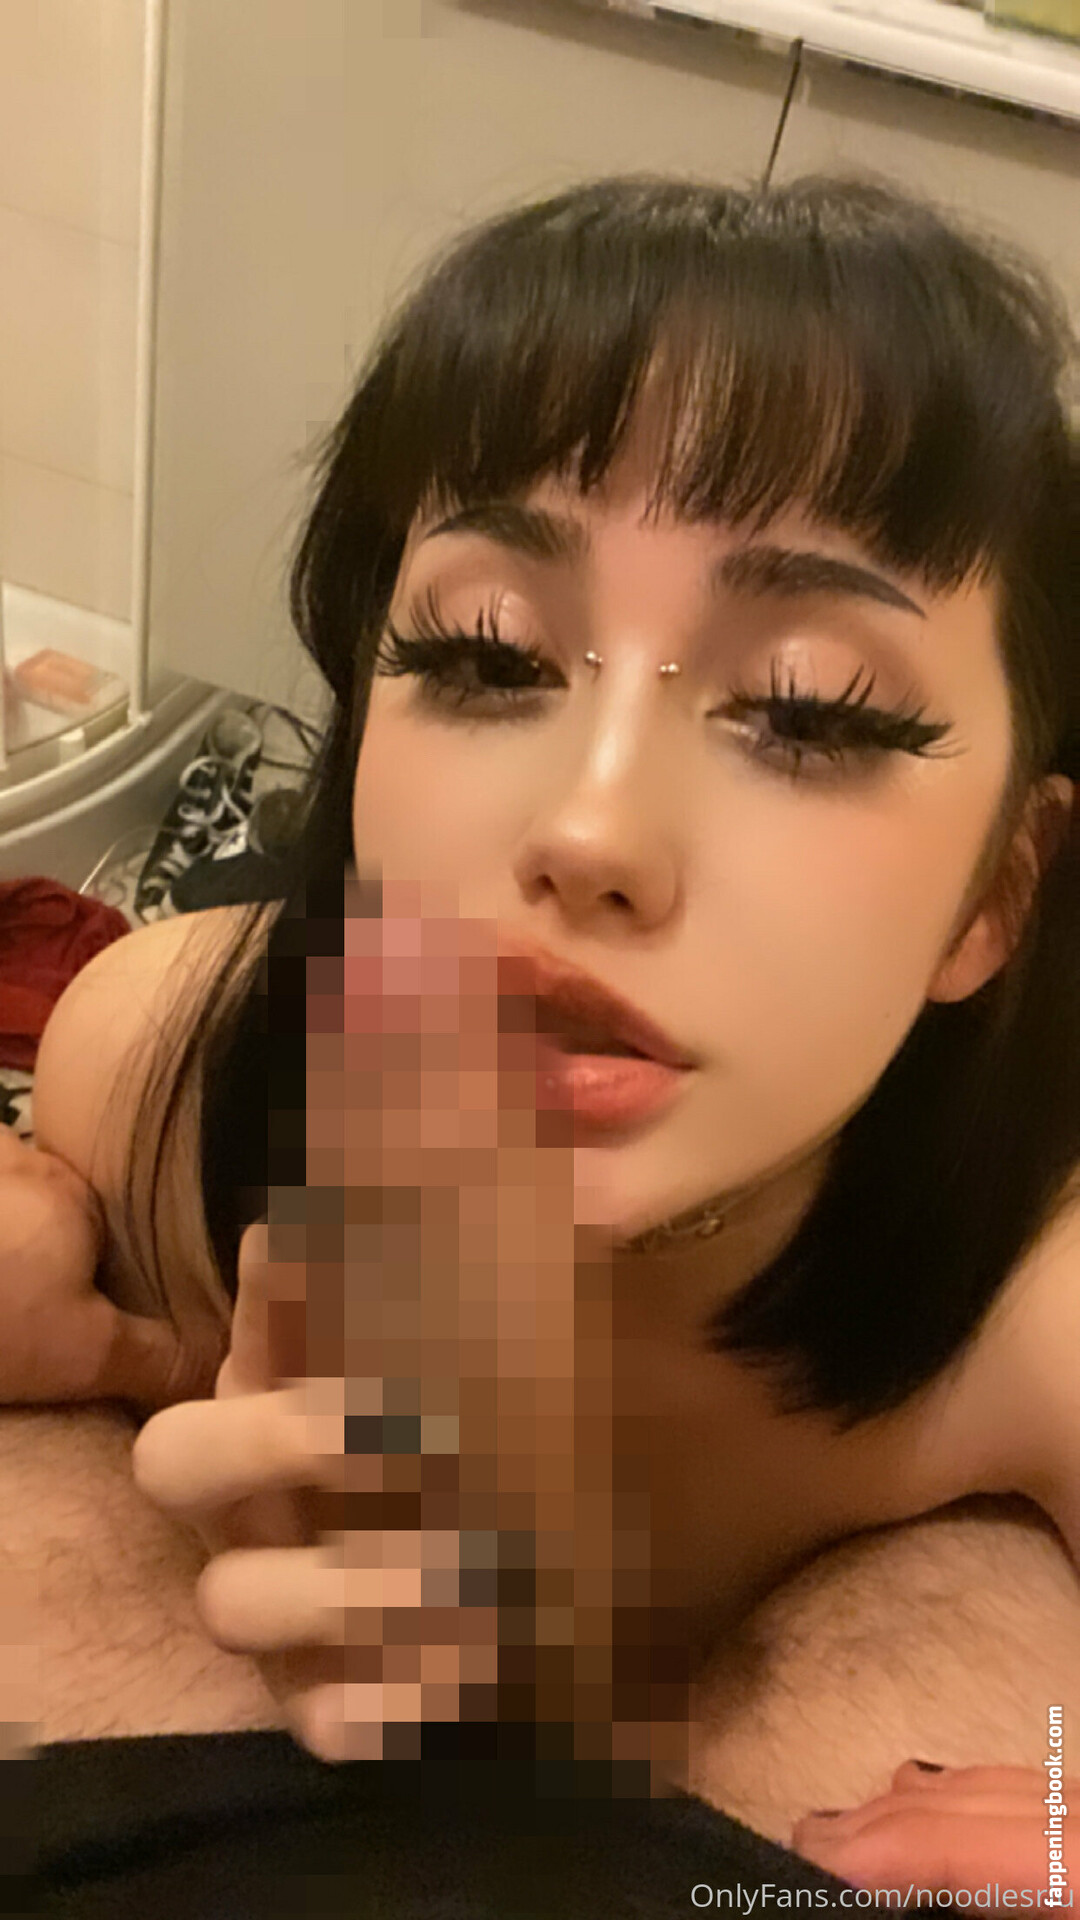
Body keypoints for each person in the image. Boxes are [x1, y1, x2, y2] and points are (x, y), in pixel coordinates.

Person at [13, 169, 1080, 1904]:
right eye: (489, 657)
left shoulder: (1036, 1309)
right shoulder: (163, 1082)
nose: (590, 832)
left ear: (996, 898)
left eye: (808, 708)